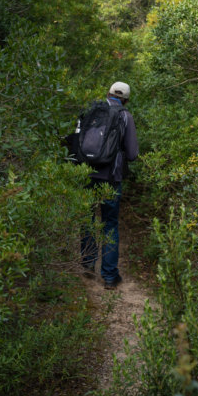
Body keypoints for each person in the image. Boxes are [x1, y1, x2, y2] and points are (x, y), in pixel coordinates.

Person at [79, 81, 138, 289]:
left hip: (86, 175)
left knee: (87, 219)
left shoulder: (91, 110)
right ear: (126, 99)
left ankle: (87, 264)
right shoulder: (125, 116)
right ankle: (110, 277)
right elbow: (132, 154)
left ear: (108, 93)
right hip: (111, 179)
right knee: (110, 224)